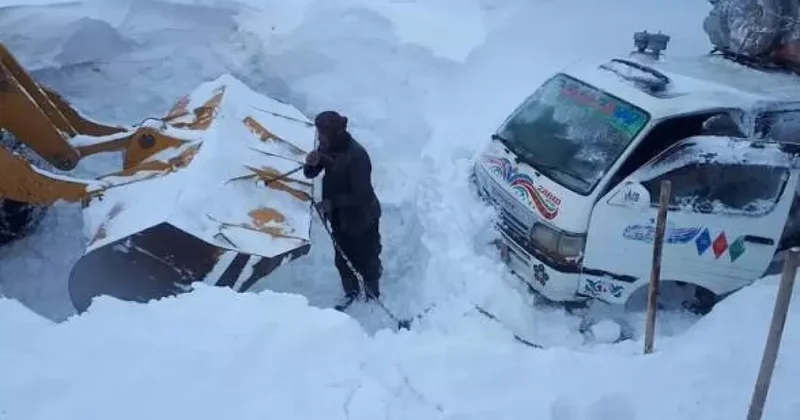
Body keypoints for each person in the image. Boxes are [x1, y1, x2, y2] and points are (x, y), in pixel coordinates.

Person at [303, 110, 383, 310]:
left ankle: (373, 293)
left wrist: (333, 203)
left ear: (335, 133)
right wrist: (311, 164)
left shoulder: (357, 156)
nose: (319, 138)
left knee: (367, 257)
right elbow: (312, 172)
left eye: (322, 134)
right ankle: (352, 291)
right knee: (342, 258)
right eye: (319, 133)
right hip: (339, 218)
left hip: (362, 218)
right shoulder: (328, 146)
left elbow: (363, 195)